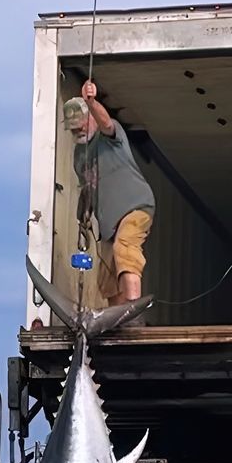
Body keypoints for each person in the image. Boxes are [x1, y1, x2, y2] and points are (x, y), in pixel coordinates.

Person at [65, 79, 155, 309]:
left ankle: (133, 310)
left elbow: (105, 122)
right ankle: (117, 320)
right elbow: (87, 186)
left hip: (135, 208)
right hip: (108, 224)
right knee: (106, 277)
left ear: (92, 118)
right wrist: (83, 213)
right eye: (73, 128)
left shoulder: (109, 137)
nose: (78, 130)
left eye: (81, 123)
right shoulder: (79, 156)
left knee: (124, 248)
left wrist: (92, 102)